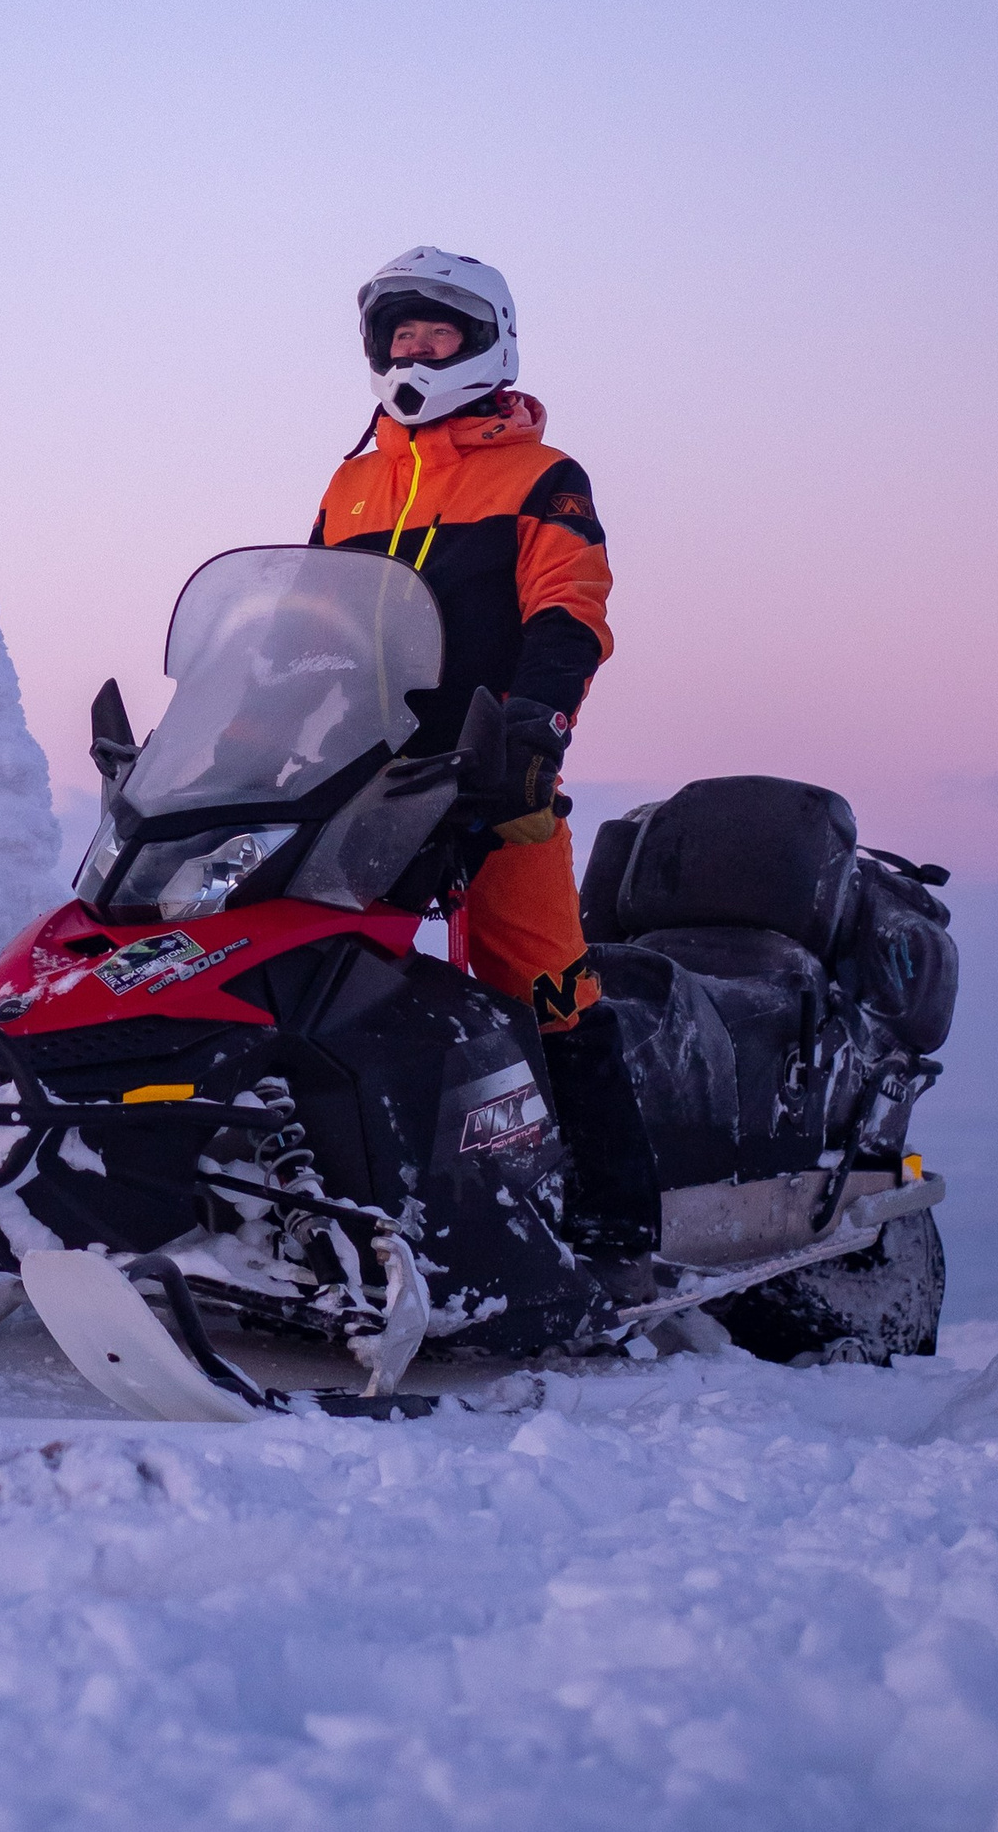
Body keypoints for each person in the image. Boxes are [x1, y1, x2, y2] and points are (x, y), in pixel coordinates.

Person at [310, 247, 660, 1300]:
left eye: (436, 334)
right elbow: (309, 619)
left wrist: (530, 726)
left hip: (491, 770)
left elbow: (567, 609)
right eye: (398, 336)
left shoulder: (537, 476)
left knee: (544, 983)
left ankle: (613, 1233)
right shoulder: (351, 478)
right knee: (303, 967)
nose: (413, 352)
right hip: (360, 779)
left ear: (485, 343)